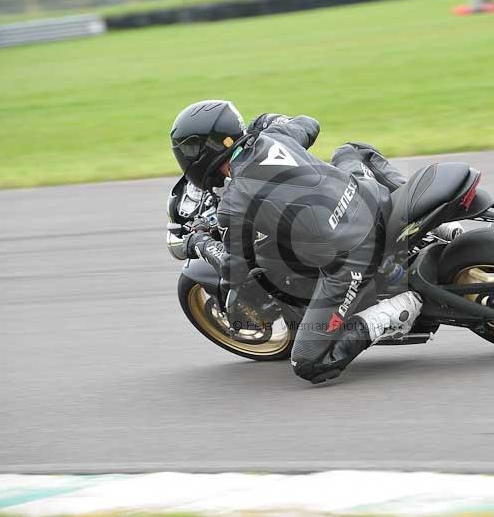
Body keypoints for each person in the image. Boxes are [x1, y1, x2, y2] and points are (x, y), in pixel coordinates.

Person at [170, 100, 431, 383]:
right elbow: (309, 124)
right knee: (350, 151)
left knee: (308, 362)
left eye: (189, 149)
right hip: (372, 199)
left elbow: (236, 272)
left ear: (205, 150)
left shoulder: (234, 202)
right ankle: (426, 215)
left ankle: (391, 314)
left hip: (354, 254)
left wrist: (199, 243)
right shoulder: (275, 137)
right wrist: (267, 120)